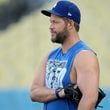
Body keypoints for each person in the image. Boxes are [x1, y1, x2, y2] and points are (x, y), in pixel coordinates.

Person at [30, 1, 99, 110]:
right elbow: (34, 92)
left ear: (70, 24)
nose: (50, 27)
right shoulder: (50, 56)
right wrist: (60, 92)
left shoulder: (84, 56)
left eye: (55, 22)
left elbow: (89, 99)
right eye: (50, 22)